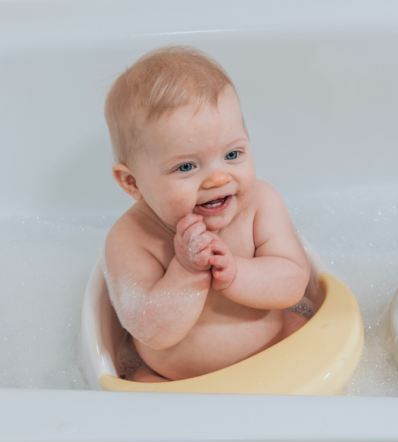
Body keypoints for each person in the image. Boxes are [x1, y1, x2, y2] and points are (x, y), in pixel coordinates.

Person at [104, 46, 310, 382]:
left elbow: (293, 285)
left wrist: (236, 273)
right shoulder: (131, 238)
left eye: (232, 154)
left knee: (308, 329)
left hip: (277, 356)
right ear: (132, 182)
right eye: (186, 166)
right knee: (138, 388)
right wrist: (186, 272)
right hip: (177, 383)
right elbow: (148, 329)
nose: (218, 178)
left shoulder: (261, 203)